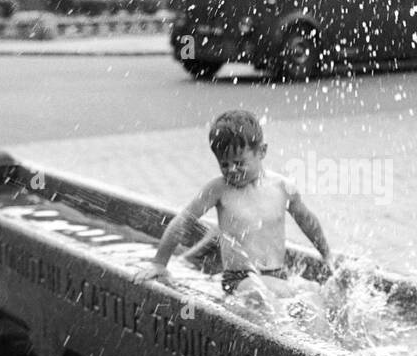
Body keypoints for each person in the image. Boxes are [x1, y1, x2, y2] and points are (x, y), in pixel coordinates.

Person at [138, 110, 333, 295]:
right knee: (262, 294)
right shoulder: (218, 189)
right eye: (224, 164)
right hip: (239, 279)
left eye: (239, 163)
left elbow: (307, 221)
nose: (231, 169)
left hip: (277, 274)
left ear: (262, 152)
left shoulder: (282, 187)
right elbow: (183, 222)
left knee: (314, 298)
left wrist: (326, 255)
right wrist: (159, 264)